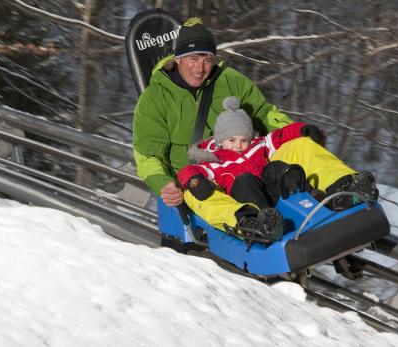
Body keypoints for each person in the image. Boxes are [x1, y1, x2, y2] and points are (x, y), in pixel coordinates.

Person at [132, 17, 378, 238]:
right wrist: (163, 183)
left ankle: (346, 187)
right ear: (178, 59)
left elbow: (264, 114)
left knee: (299, 145)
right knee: (198, 192)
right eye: (193, 59)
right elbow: (148, 155)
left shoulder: (229, 80)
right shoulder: (155, 98)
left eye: (207, 58)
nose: (200, 68)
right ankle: (249, 222)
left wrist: (298, 131)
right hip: (203, 176)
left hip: (251, 160)